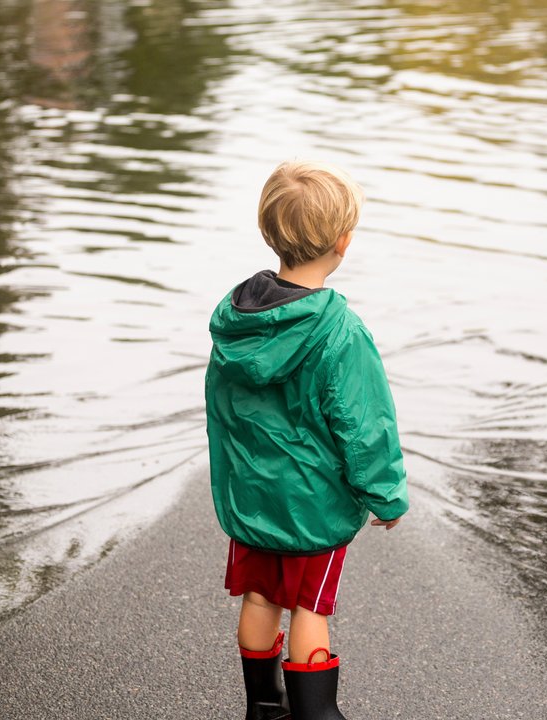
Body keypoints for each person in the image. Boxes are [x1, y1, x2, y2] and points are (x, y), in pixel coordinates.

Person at [205, 160, 410, 720]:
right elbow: (365, 424)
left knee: (260, 596)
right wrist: (385, 495)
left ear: (269, 232)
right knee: (309, 606)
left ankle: (263, 707)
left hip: (252, 493)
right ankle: (317, 713)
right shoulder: (339, 331)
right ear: (344, 241)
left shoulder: (236, 321)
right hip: (310, 505)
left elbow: (224, 407)